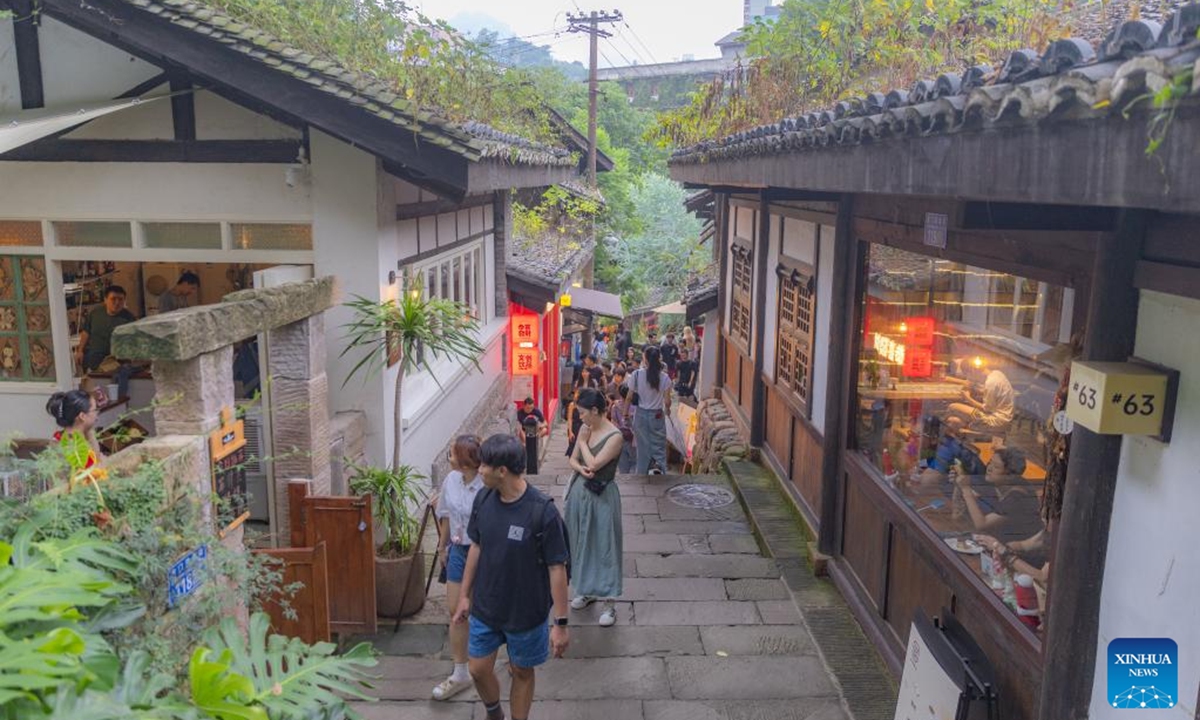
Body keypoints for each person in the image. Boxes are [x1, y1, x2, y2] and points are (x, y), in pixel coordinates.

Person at [453, 434, 570, 720]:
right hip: (486, 605)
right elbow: (477, 546)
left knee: (521, 670)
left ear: (502, 471)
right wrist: (464, 596)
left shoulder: (542, 512)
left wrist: (560, 624)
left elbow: (557, 568)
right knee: (478, 668)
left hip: (525, 612)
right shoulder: (484, 498)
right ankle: (495, 712)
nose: (479, 471)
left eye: (484, 466)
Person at [564, 388, 625, 627]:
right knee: (580, 542)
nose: (580, 418)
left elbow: (595, 463)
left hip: (603, 497)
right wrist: (580, 469)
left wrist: (582, 444)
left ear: (595, 411)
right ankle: (586, 590)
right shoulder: (585, 429)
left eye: (582, 413)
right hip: (581, 492)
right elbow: (574, 460)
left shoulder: (615, 436)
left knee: (605, 545)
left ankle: (610, 603)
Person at [431, 436, 485, 701]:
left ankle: (506, 657)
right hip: (458, 551)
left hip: (484, 552)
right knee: (456, 610)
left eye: (451, 455)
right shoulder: (451, 480)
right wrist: (442, 548)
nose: (448, 458)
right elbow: (447, 516)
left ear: (465, 462)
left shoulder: (486, 485)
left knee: (488, 610)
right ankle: (460, 671)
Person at [953, 447, 1042, 542]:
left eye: (996, 467)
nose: (989, 468)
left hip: (1014, 550)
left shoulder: (1017, 497)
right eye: (990, 462)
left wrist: (966, 489)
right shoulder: (1003, 485)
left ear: (1010, 475)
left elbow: (982, 524)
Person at [629, 346, 672, 475]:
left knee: (642, 448)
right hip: (657, 414)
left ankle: (641, 474)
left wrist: (625, 413)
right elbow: (667, 401)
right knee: (659, 446)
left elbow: (629, 396)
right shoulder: (665, 378)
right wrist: (668, 410)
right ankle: (661, 471)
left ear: (645, 359)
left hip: (641, 414)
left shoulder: (636, 375)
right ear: (659, 359)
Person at [946, 360, 1014, 437]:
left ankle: (945, 435)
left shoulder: (991, 383)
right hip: (1006, 420)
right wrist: (975, 389)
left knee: (952, 407)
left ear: (973, 371)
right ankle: (966, 428)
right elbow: (992, 393)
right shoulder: (997, 373)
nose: (969, 378)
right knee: (953, 420)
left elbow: (987, 409)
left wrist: (967, 398)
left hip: (995, 421)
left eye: (969, 374)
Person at [76, 286, 136, 373]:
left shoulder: (129, 318)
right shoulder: (95, 313)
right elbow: (86, 332)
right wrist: (80, 351)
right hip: (94, 359)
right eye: (113, 299)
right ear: (105, 300)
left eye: (120, 299)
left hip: (117, 362)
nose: (117, 302)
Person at [46, 389, 101, 469]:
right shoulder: (76, 448)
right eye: (95, 410)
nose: (97, 414)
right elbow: (97, 466)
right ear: (82, 416)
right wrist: (91, 435)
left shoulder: (58, 436)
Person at [515, 397, 547, 476]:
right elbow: (518, 425)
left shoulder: (536, 411)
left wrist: (540, 426)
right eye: (528, 408)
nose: (530, 410)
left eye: (531, 408)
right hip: (524, 431)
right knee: (520, 431)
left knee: (545, 430)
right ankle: (527, 443)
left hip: (535, 430)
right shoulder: (520, 413)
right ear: (524, 406)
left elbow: (545, 423)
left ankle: (534, 440)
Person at [610, 385, 637, 473]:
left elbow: (614, 422)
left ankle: (624, 483)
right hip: (633, 438)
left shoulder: (615, 406)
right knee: (634, 462)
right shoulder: (635, 407)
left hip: (620, 436)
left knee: (622, 464)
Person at [564, 389, 584, 458]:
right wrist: (570, 431)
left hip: (583, 427)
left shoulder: (584, 405)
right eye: (576, 394)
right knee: (572, 446)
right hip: (574, 427)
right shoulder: (572, 405)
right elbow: (569, 419)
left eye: (578, 394)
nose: (576, 396)